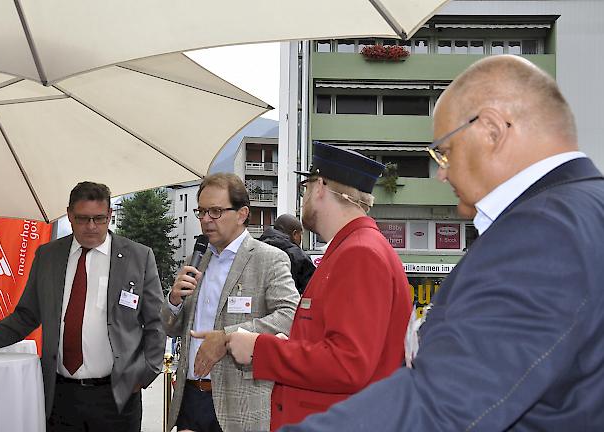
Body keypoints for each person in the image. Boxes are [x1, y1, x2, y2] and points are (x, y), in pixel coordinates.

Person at [279, 55, 604, 432]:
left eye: (444, 152)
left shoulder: (543, 231)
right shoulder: (582, 209)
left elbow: (444, 403)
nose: (442, 174)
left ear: (493, 131)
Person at [227, 142, 412, 430]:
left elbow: (348, 364)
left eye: (306, 186)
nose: (304, 196)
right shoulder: (353, 249)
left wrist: (259, 349)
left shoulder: (359, 253)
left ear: (321, 187)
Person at [0, 181, 166, 432]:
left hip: (118, 397)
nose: (91, 227)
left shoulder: (138, 257)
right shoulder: (48, 256)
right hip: (60, 396)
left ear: (110, 215)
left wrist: (144, 374)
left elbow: (157, 322)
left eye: (99, 218)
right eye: (82, 219)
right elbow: (25, 317)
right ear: (69, 215)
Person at [162, 173, 300, 432]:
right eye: (201, 211)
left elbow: (290, 316)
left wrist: (227, 338)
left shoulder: (268, 259)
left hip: (240, 406)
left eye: (215, 211)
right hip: (191, 399)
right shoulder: (197, 258)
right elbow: (170, 327)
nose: (205, 220)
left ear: (242, 213)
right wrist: (174, 300)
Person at [259, 214, 316, 294]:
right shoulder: (299, 256)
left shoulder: (257, 248)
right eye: (301, 234)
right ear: (295, 234)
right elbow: (312, 289)